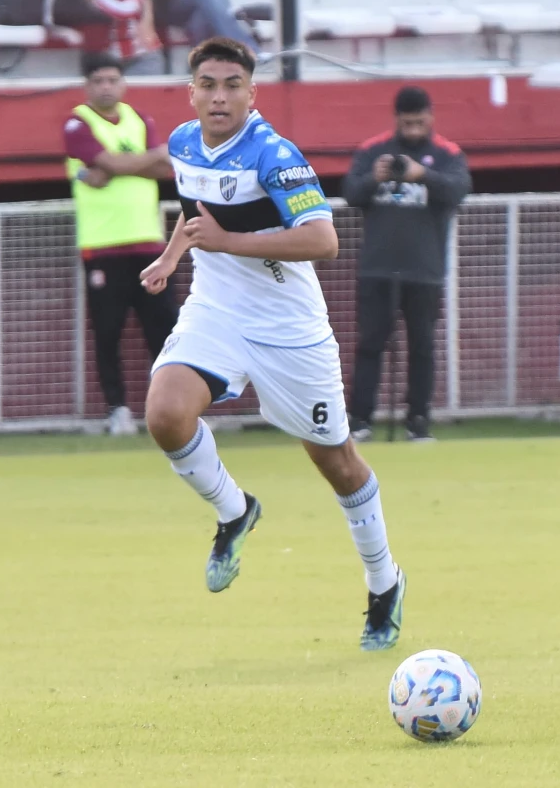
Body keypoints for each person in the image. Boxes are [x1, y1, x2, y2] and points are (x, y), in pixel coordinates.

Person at [137, 37, 406, 651]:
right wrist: (171, 256)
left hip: (289, 329)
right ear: (192, 91)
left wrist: (226, 242)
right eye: (208, 84)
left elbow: (322, 240)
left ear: (251, 93)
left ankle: (383, 580)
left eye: (232, 84)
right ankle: (234, 511)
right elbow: (195, 212)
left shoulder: (274, 155)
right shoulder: (183, 143)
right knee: (165, 413)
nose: (219, 95)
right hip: (216, 309)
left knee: (334, 460)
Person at [343, 86, 472, 443]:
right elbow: (351, 192)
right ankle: (360, 421)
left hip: (425, 270)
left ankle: (418, 421)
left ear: (430, 117)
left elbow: (459, 190)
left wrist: (423, 175)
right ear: (396, 119)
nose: (414, 129)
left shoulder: (446, 153)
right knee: (370, 344)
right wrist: (376, 179)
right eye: (407, 123)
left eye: (420, 122)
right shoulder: (373, 150)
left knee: (422, 346)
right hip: (377, 267)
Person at [64, 52, 177, 436]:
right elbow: (119, 163)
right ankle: (118, 410)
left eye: (113, 79)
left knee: (163, 330)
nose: (107, 86)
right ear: (87, 85)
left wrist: (117, 165)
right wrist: (141, 161)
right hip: (103, 245)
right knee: (108, 331)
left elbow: (164, 168)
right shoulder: (78, 123)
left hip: (149, 243)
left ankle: (169, 409)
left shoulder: (139, 119)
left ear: (123, 83)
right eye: (99, 80)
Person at [53, 0, 166, 76]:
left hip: (140, 58)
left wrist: (96, 1)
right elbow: (60, 10)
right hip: (104, 60)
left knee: (141, 99)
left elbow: (126, 10)